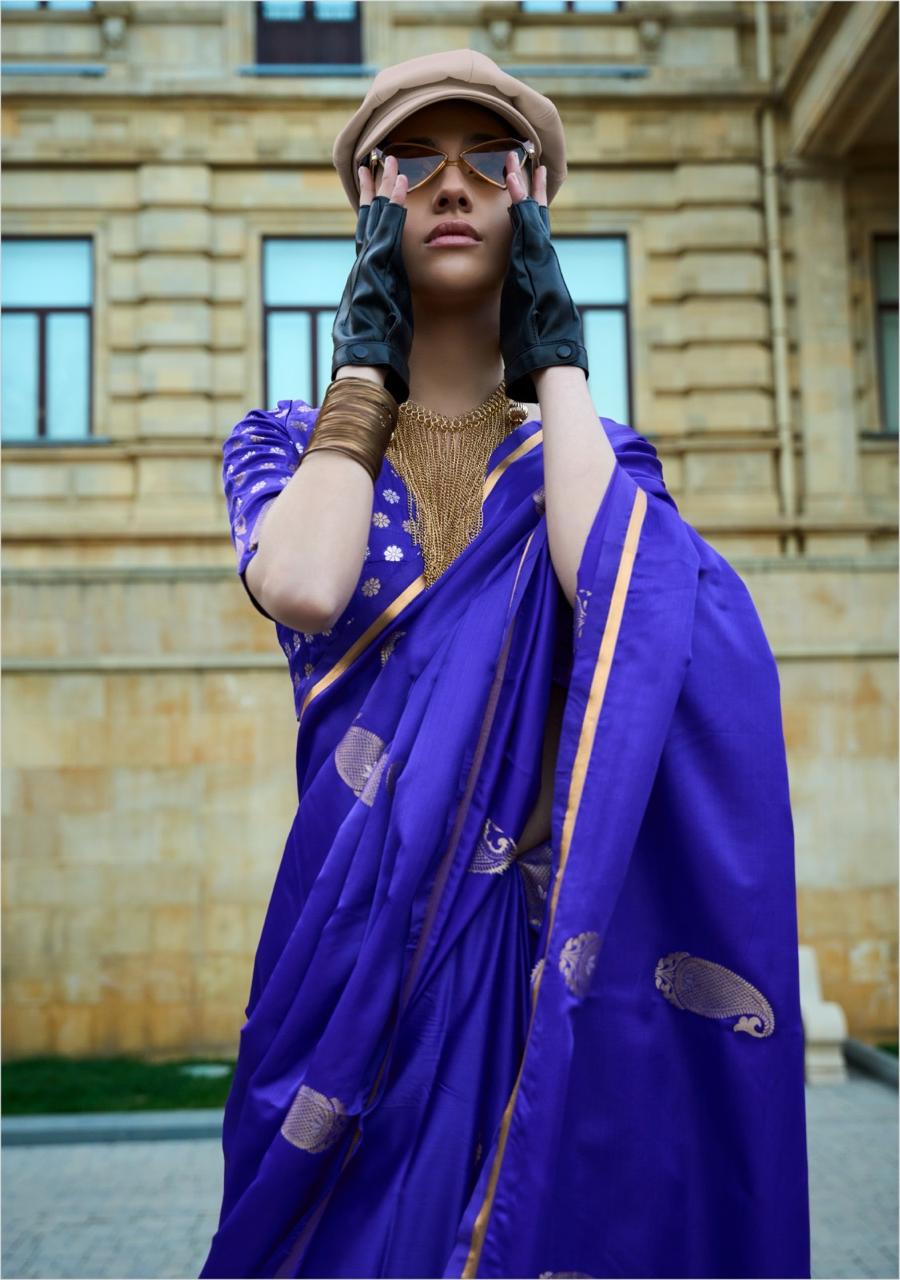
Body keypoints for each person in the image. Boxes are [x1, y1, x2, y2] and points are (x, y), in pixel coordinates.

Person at [199, 49, 811, 1280]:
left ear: (532, 201)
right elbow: (307, 582)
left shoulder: (597, 458)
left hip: (538, 960)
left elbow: (618, 588)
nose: (451, 184)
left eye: (489, 160)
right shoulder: (282, 445)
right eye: (413, 160)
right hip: (345, 952)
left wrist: (558, 357)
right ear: (368, 200)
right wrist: (363, 366)